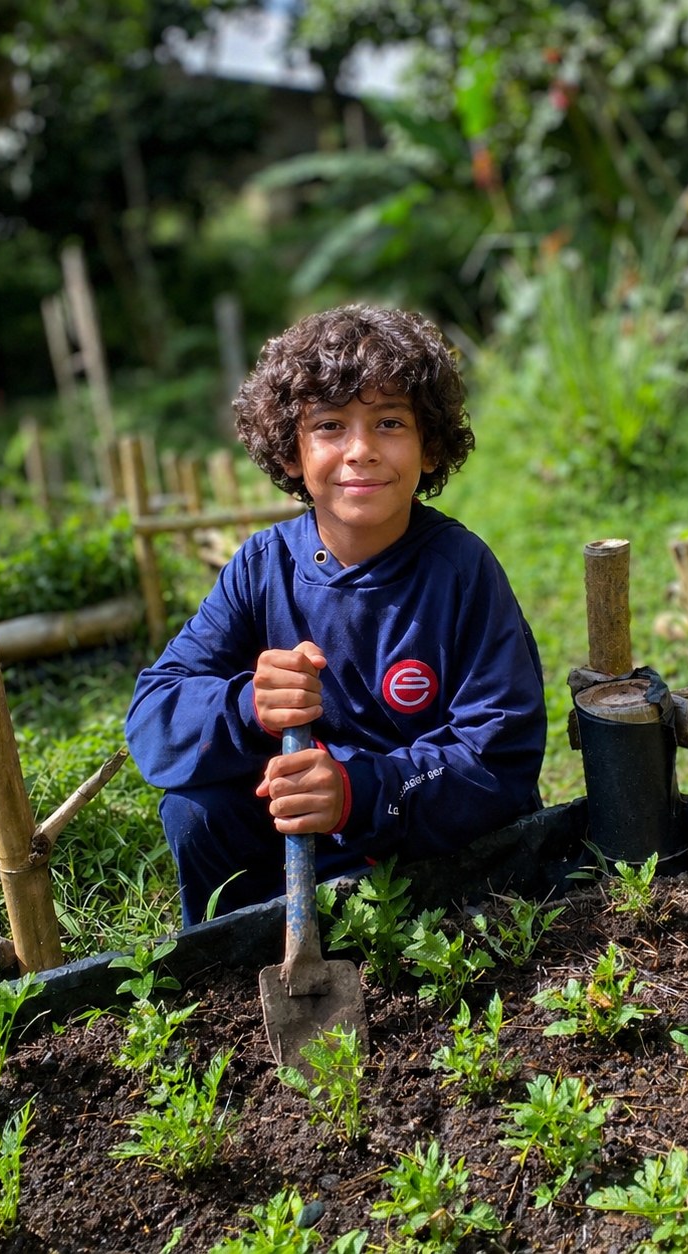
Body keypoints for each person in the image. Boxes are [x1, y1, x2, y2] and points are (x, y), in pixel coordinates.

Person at [125, 305, 547, 925]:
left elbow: (499, 758)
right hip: (295, 851)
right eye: (329, 426)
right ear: (291, 453)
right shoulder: (261, 567)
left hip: (424, 858)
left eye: (389, 422)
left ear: (429, 447)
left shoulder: (460, 570)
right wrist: (248, 709)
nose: (361, 451)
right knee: (195, 810)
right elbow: (153, 720)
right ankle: (236, 968)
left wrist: (356, 793)